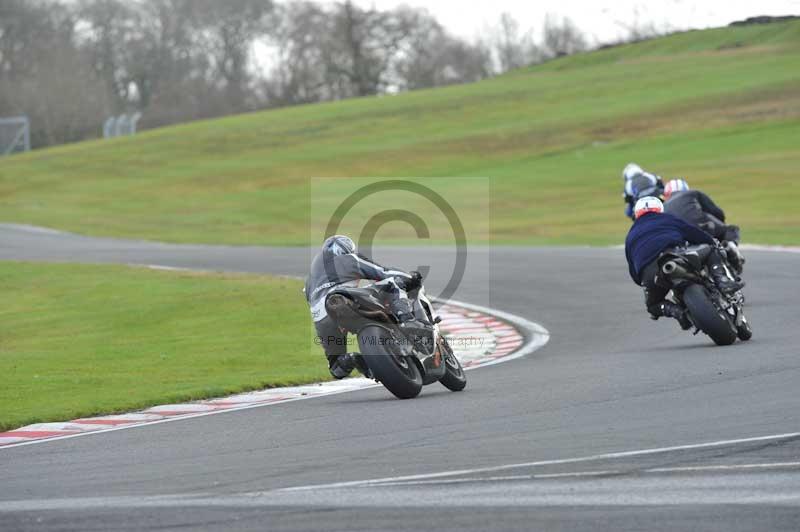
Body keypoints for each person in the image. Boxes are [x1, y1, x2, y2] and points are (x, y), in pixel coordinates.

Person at [304, 235, 423, 379]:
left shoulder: (310, 279)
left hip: (321, 317)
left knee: (337, 368)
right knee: (392, 283)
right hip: (343, 299)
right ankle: (407, 319)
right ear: (345, 250)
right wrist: (410, 278)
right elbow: (383, 272)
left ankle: (353, 360)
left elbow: (309, 299)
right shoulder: (347, 259)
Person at [625, 196, 742, 330]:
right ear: (659, 209)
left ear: (636, 213)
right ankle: (722, 281)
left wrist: (645, 282)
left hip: (649, 273)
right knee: (710, 250)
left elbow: (633, 272)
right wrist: (711, 241)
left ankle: (676, 312)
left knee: (653, 306)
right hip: (674, 255)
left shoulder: (630, 235)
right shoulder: (667, 218)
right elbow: (693, 232)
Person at [663, 178, 744, 273]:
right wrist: (721, 224)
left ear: (666, 194)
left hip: (677, 236)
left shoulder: (664, 206)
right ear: (685, 188)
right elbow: (716, 211)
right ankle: (730, 247)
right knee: (731, 229)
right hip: (700, 226)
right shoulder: (693, 193)